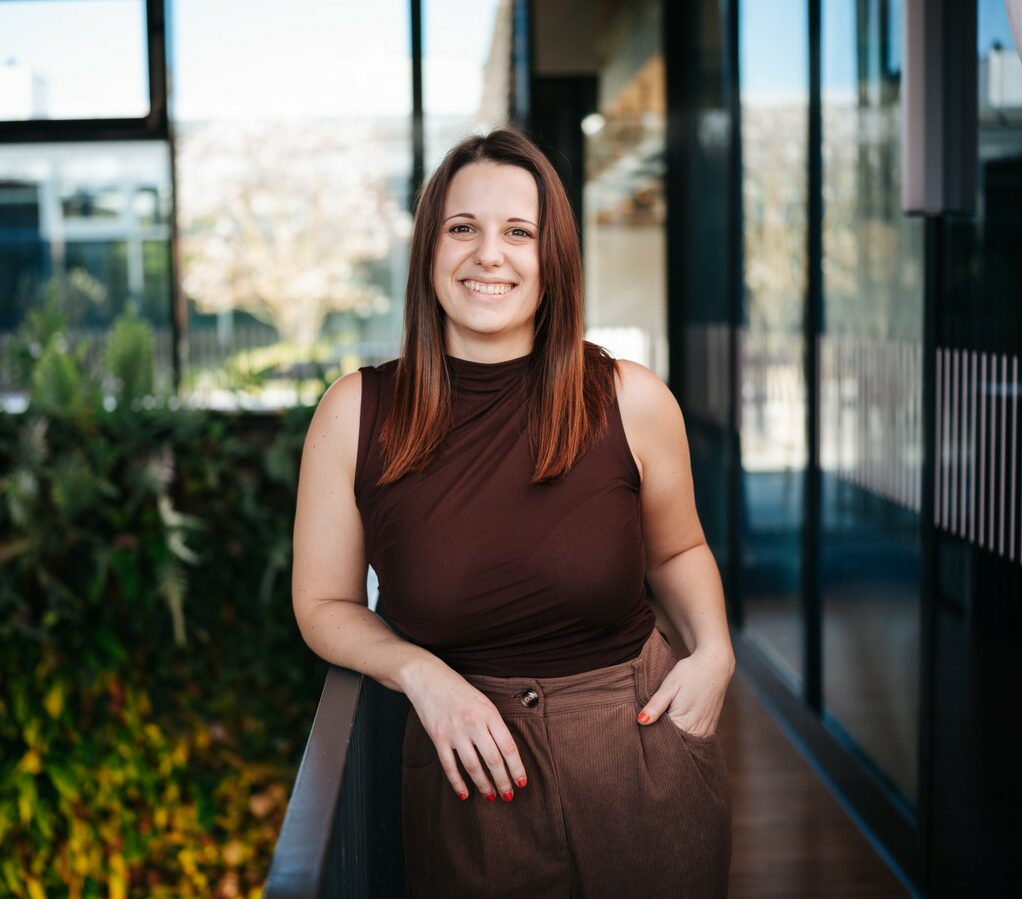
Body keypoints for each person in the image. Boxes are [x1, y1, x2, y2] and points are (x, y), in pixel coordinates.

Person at [292, 127, 735, 898]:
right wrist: (420, 674)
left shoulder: (629, 397)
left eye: (518, 232)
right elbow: (322, 603)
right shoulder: (356, 412)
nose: (488, 254)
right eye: (463, 228)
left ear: (550, 260)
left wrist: (717, 653)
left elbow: (677, 551)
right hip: (470, 785)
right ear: (431, 250)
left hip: (641, 757)